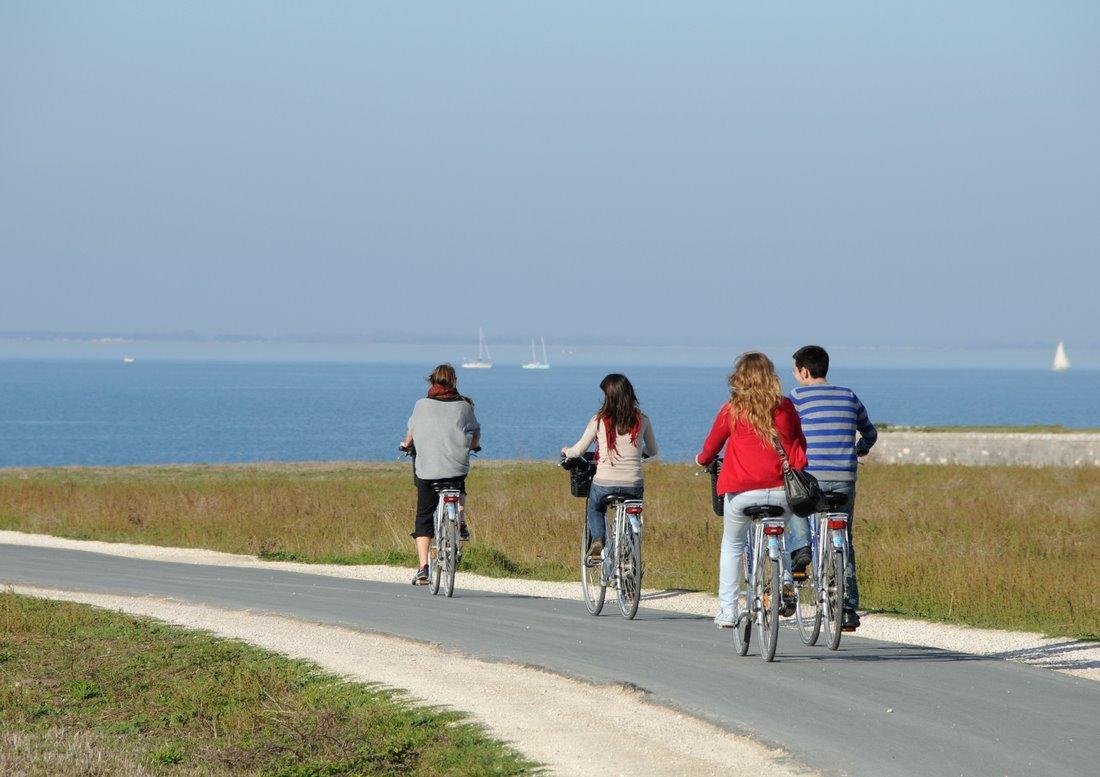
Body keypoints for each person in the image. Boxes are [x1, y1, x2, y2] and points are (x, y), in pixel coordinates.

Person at [695, 352, 808, 629]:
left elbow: (711, 448)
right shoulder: (785, 408)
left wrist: (701, 460)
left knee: (732, 545)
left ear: (739, 378)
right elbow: (800, 445)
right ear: (771, 377)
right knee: (779, 535)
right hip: (782, 492)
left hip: (743, 494)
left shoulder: (731, 410)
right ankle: (784, 583)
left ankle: (728, 611)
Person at [786, 345, 877, 631]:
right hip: (844, 478)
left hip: (810, 478)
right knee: (844, 538)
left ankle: (801, 550)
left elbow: (785, 434)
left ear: (803, 371)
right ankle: (848, 608)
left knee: (798, 506)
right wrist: (859, 449)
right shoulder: (849, 395)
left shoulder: (796, 397)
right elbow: (870, 433)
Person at [562, 374, 658, 560]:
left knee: (595, 508)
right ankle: (630, 562)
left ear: (609, 397)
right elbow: (653, 450)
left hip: (604, 483)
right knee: (633, 516)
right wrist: (640, 453)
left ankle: (598, 539)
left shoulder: (599, 420)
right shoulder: (642, 420)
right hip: (633, 484)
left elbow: (579, 450)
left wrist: (567, 451)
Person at [400, 364, 481, 585]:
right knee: (458, 484)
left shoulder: (421, 405)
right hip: (457, 467)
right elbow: (475, 433)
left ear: (431, 381)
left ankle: (423, 567)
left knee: (424, 514)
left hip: (428, 470)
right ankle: (460, 522)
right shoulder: (464, 406)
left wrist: (406, 445)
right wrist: (473, 446)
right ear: (454, 381)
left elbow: (412, 433)